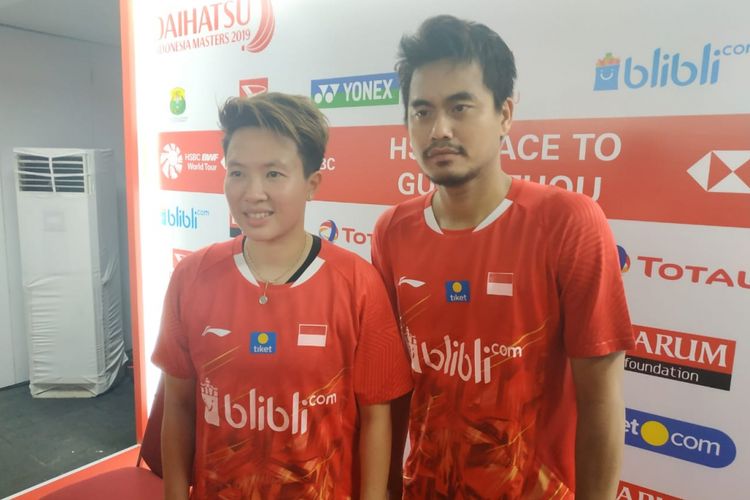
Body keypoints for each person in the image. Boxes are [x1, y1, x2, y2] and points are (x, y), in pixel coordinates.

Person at [371, 15, 634, 499]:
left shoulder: (567, 222)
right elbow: (392, 392)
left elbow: (601, 401)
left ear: (505, 114)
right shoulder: (392, 231)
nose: (439, 129)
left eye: (461, 107)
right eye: (422, 111)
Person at [153, 92, 413, 499]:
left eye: (274, 174)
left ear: (312, 184)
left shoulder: (358, 284)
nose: (252, 193)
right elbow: (179, 406)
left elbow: (376, 419)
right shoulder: (191, 277)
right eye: (237, 172)